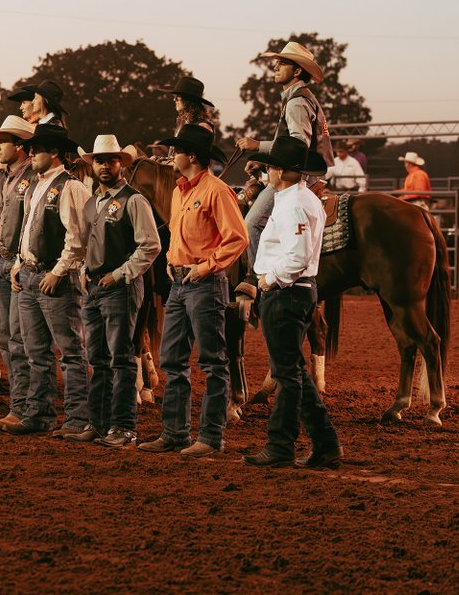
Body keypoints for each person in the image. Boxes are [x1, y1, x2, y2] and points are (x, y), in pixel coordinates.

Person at [138, 124, 247, 458]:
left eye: (177, 150)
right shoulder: (179, 191)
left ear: (192, 156)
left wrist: (205, 266)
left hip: (203, 283)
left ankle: (210, 437)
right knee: (172, 359)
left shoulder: (216, 190)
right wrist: (173, 261)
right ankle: (175, 433)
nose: (172, 155)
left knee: (212, 362)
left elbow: (238, 237)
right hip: (182, 283)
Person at [242, 136, 340, 469]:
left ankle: (281, 443)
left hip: (286, 291)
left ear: (281, 171)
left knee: (287, 373)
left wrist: (270, 280)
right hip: (295, 291)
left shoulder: (294, 203)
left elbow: (296, 255)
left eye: (269, 167)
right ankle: (324, 443)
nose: (266, 172)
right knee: (292, 370)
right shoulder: (300, 199)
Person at [0, 124, 92, 436]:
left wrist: (58, 270)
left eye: (37, 149)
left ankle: (78, 419)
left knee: (69, 352)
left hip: (55, 277)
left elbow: (77, 238)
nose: (31, 154)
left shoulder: (71, 187)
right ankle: (39, 415)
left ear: (53, 153)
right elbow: (28, 229)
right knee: (35, 351)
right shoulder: (38, 185)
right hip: (29, 273)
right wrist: (17, 263)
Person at [76, 135, 161, 447]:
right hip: (96, 288)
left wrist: (120, 274)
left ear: (121, 164)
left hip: (119, 288)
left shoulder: (133, 200)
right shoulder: (91, 203)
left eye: (111, 160)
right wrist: (85, 270)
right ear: (93, 165)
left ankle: (124, 427)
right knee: (97, 358)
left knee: (120, 358)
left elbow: (150, 245)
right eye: (99, 160)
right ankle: (99, 424)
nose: (104, 166)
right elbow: (89, 244)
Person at [233, 41, 333, 280]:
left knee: (252, 223)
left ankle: (261, 278)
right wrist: (264, 158)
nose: (275, 67)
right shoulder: (300, 98)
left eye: (282, 63)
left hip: (297, 174)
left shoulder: (297, 101)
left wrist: (258, 146)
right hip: (301, 169)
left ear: (297, 71)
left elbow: (298, 144)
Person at [0, 115, 37, 429]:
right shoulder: (4, 177)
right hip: (0, 261)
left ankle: (25, 407)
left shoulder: (31, 176)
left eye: (3, 142)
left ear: (20, 146)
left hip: (17, 265)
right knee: (5, 338)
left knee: (18, 339)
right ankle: (19, 405)